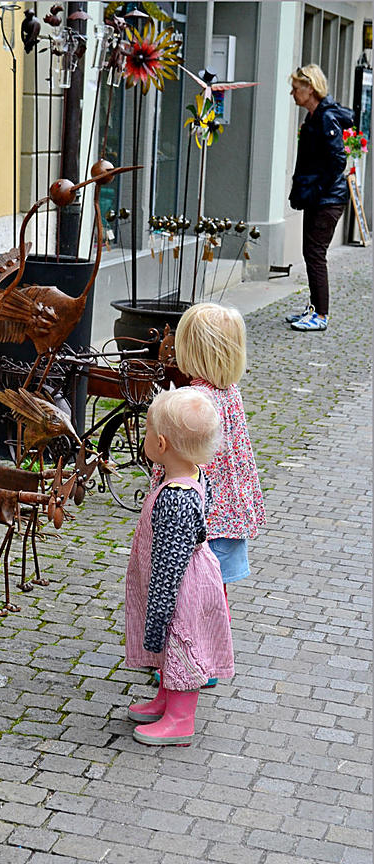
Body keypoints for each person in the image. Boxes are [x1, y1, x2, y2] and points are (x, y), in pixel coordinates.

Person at [151, 304, 265, 692]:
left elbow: (174, 458)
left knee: (186, 594)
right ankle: (212, 660)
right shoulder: (228, 391)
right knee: (216, 592)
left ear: (190, 350)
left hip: (198, 519)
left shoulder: (191, 402)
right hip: (230, 512)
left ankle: (187, 662)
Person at [125, 388, 234, 746]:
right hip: (189, 576)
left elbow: (171, 564)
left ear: (160, 444)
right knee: (170, 646)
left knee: (179, 642)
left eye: (145, 433)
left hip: (180, 586)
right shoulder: (193, 474)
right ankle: (166, 699)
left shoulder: (176, 497)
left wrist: (158, 611)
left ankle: (180, 720)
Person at [286, 64, 354, 332]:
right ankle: (314, 309)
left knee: (315, 254)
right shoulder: (314, 117)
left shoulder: (325, 118)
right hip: (318, 198)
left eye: (296, 88)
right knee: (310, 252)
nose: (292, 93)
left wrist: (316, 189)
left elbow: (338, 160)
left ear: (310, 88)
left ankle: (321, 315)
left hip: (328, 200)